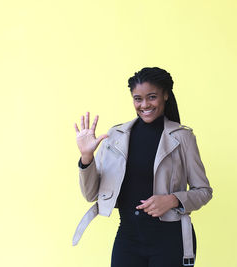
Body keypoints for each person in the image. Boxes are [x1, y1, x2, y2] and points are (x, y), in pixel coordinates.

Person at [72, 67, 212, 267]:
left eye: (152, 97)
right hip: (128, 239)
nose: (144, 104)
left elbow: (204, 191)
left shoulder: (183, 137)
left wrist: (173, 200)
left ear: (165, 95)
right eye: (138, 99)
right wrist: (86, 157)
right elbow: (91, 195)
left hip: (171, 240)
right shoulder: (115, 137)